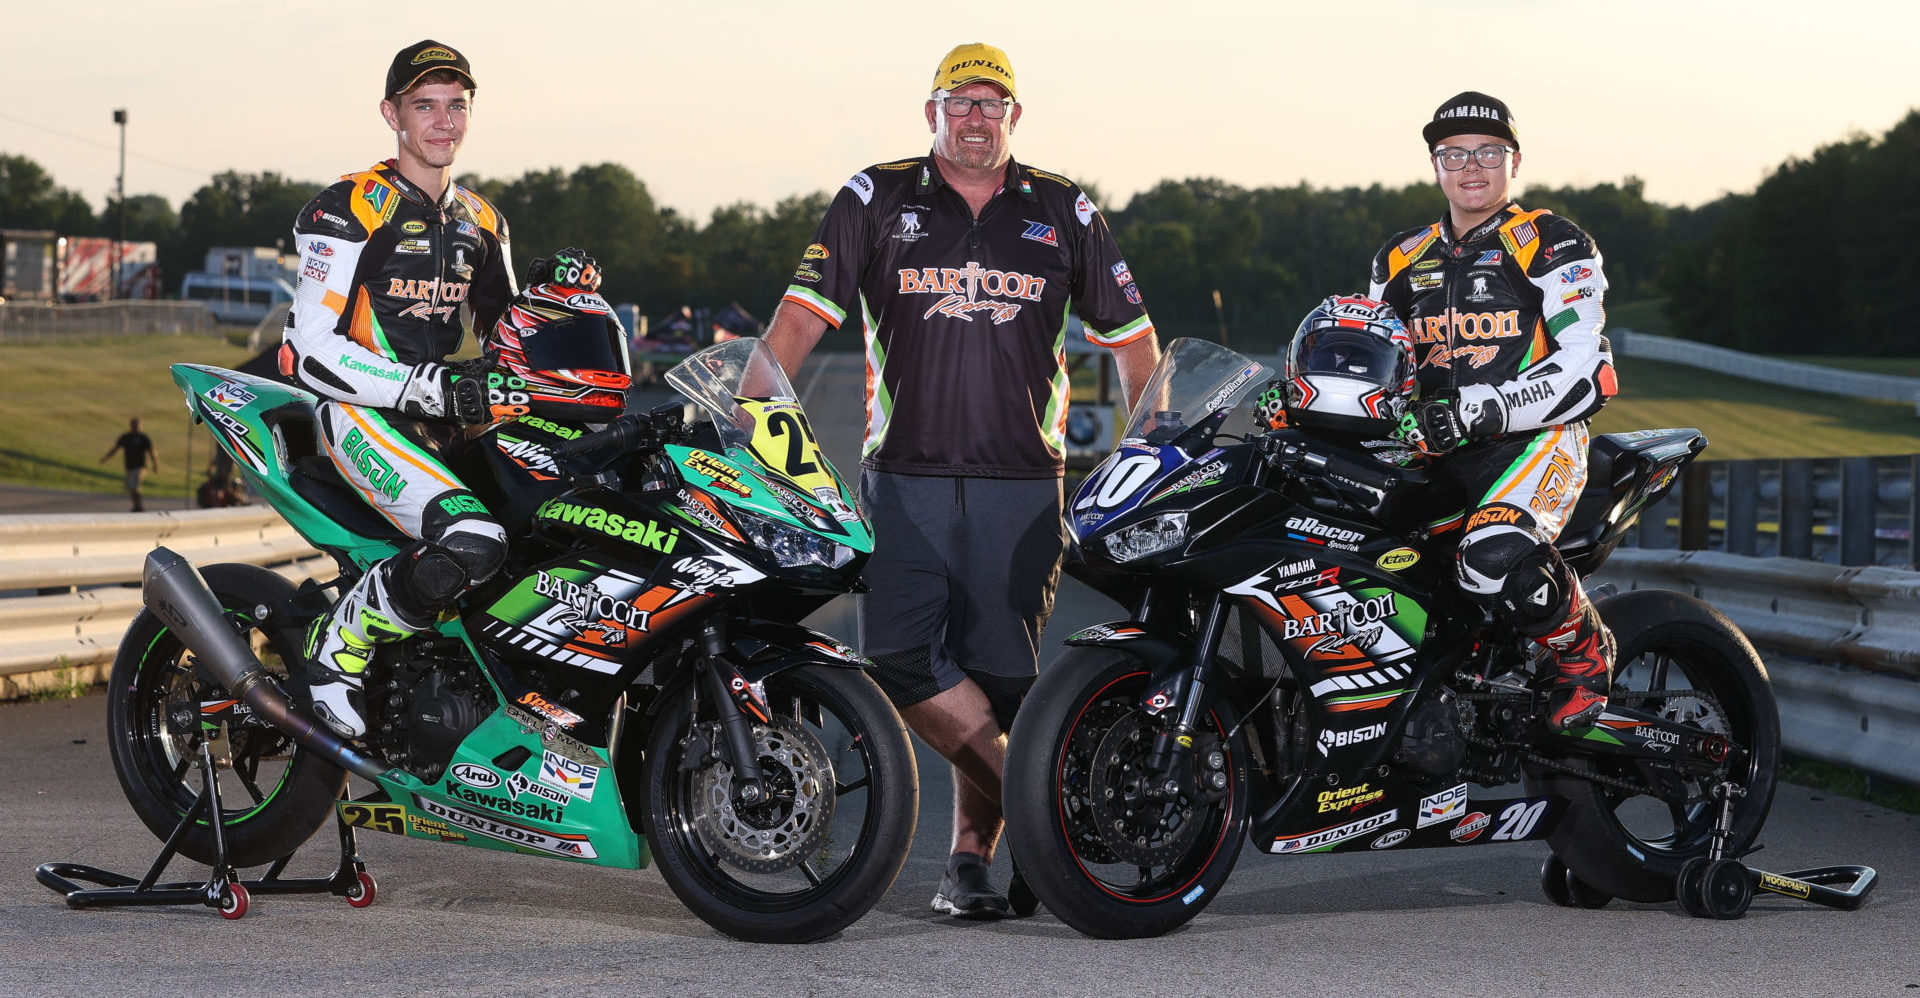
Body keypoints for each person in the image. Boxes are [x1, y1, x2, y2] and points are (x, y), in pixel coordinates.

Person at [763, 43, 1161, 919]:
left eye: (992, 103)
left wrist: (1155, 446)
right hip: (903, 474)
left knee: (1000, 679)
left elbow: (1133, 341)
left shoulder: (1063, 208)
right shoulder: (877, 195)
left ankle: (970, 863)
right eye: (960, 102)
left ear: (1015, 116)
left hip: (1022, 481)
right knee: (903, 659)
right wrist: (751, 414)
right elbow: (796, 323)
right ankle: (1051, 822)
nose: (976, 117)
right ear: (932, 112)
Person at [280, 40, 520, 738]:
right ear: (392, 113)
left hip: (443, 421)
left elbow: (511, 341)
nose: (443, 122)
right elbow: (308, 351)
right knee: (474, 539)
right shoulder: (351, 205)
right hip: (360, 415)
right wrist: (423, 387)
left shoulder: (484, 220)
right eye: (425, 107)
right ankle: (337, 650)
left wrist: (565, 304)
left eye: (456, 107)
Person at [1367, 91, 1621, 732]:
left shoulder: (1550, 242)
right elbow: (1370, 356)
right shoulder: (1398, 257)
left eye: (1487, 151)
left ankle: (1584, 650)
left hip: (1536, 441)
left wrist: (1484, 409)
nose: (1470, 166)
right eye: (1453, 153)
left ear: (1513, 159)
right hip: (1431, 449)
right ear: (1434, 165)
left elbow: (1587, 369)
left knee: (1491, 553)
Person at [99, 416, 158, 512]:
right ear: (131, 425)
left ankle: (139, 505)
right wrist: (106, 458)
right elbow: (115, 449)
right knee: (131, 487)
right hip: (129, 466)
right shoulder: (126, 437)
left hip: (140, 467)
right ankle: (136, 505)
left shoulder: (143, 438)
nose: (136, 426)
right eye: (134, 424)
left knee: (135, 486)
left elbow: (151, 452)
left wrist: (155, 464)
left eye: (138, 424)